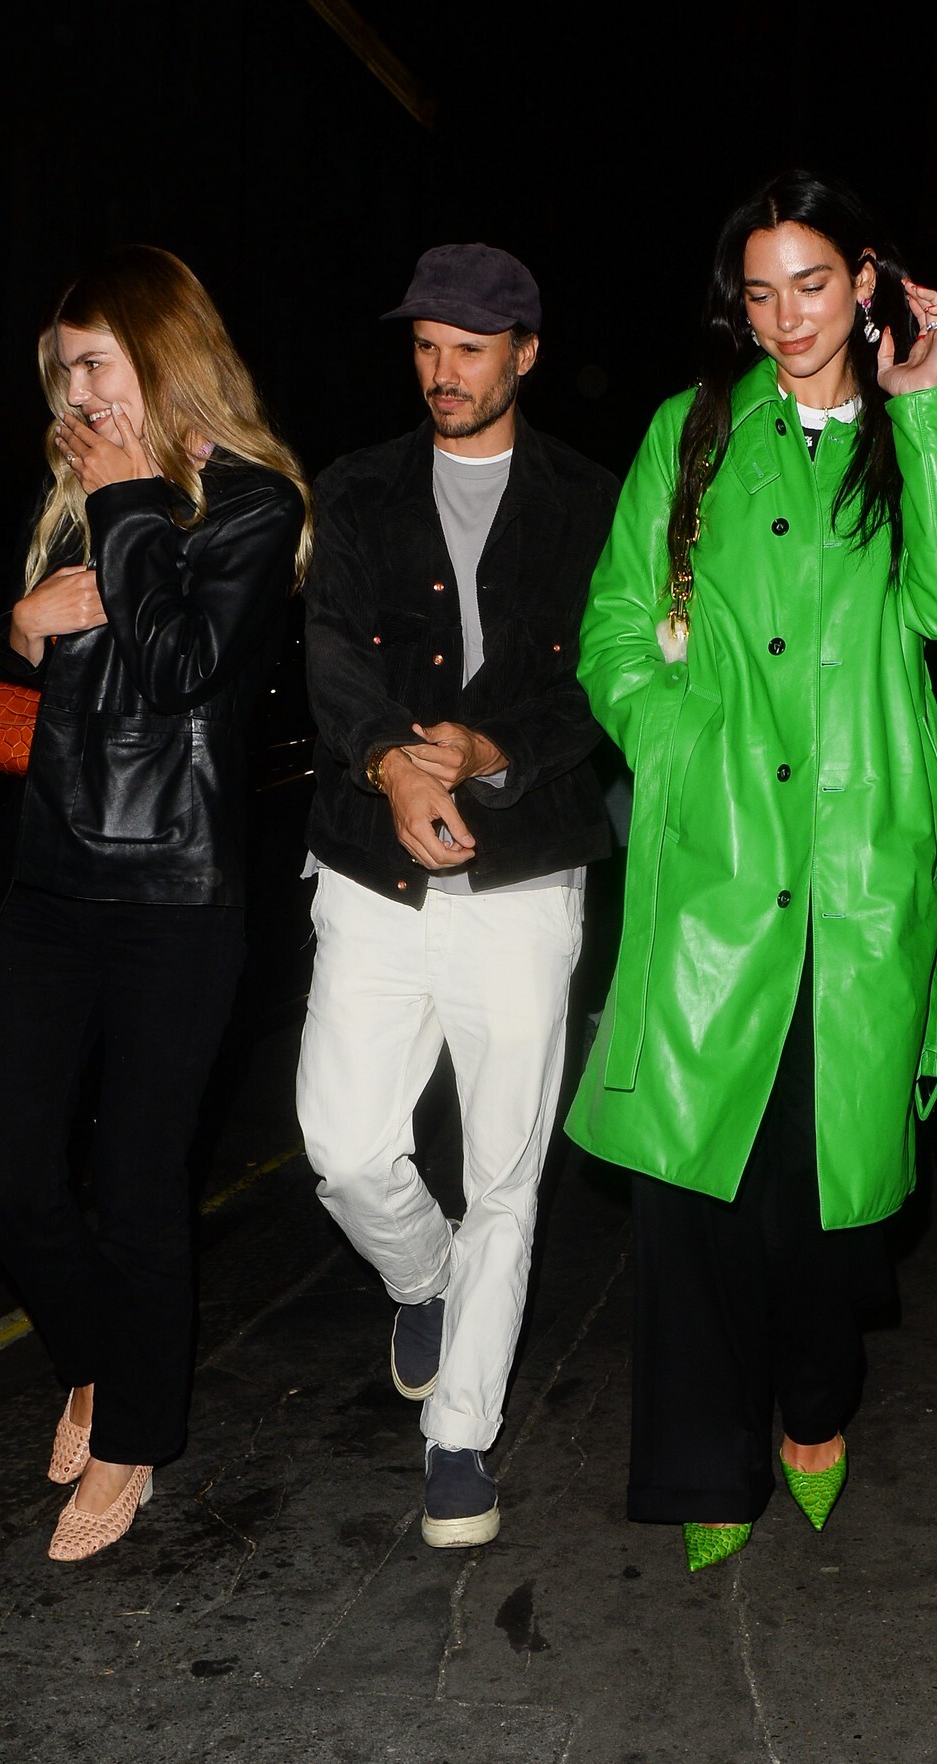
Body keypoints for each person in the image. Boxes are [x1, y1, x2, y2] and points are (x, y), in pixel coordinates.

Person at [565, 170, 937, 1571]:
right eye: (759, 293)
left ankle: (817, 1397)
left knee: (822, 1194)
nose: (785, 318)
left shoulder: (908, 434)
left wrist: (925, 407)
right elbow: (614, 627)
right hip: (718, 853)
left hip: (860, 863)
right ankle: (709, 1460)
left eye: (811, 284)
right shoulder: (693, 432)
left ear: (867, 280)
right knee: (701, 1182)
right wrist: (675, 744)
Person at [0, 245, 309, 1562]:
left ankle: (134, 1438)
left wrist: (124, 504)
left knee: (137, 1184)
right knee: (6, 1179)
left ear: (163, 358)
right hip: (51, 879)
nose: (79, 395)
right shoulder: (73, 499)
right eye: (64, 372)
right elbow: (22, 696)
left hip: (175, 891)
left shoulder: (252, 504)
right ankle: (95, 1359)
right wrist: (22, 626)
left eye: (99, 365)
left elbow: (177, 670)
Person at [297, 243, 616, 1547]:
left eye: (470, 349)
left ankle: (461, 1441)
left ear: (524, 355)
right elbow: (328, 649)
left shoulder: (590, 501)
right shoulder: (357, 488)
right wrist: (390, 761)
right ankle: (420, 1278)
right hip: (369, 861)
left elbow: (605, 679)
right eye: (426, 346)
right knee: (345, 1146)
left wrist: (489, 752)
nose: (443, 371)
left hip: (523, 868)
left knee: (505, 1174)